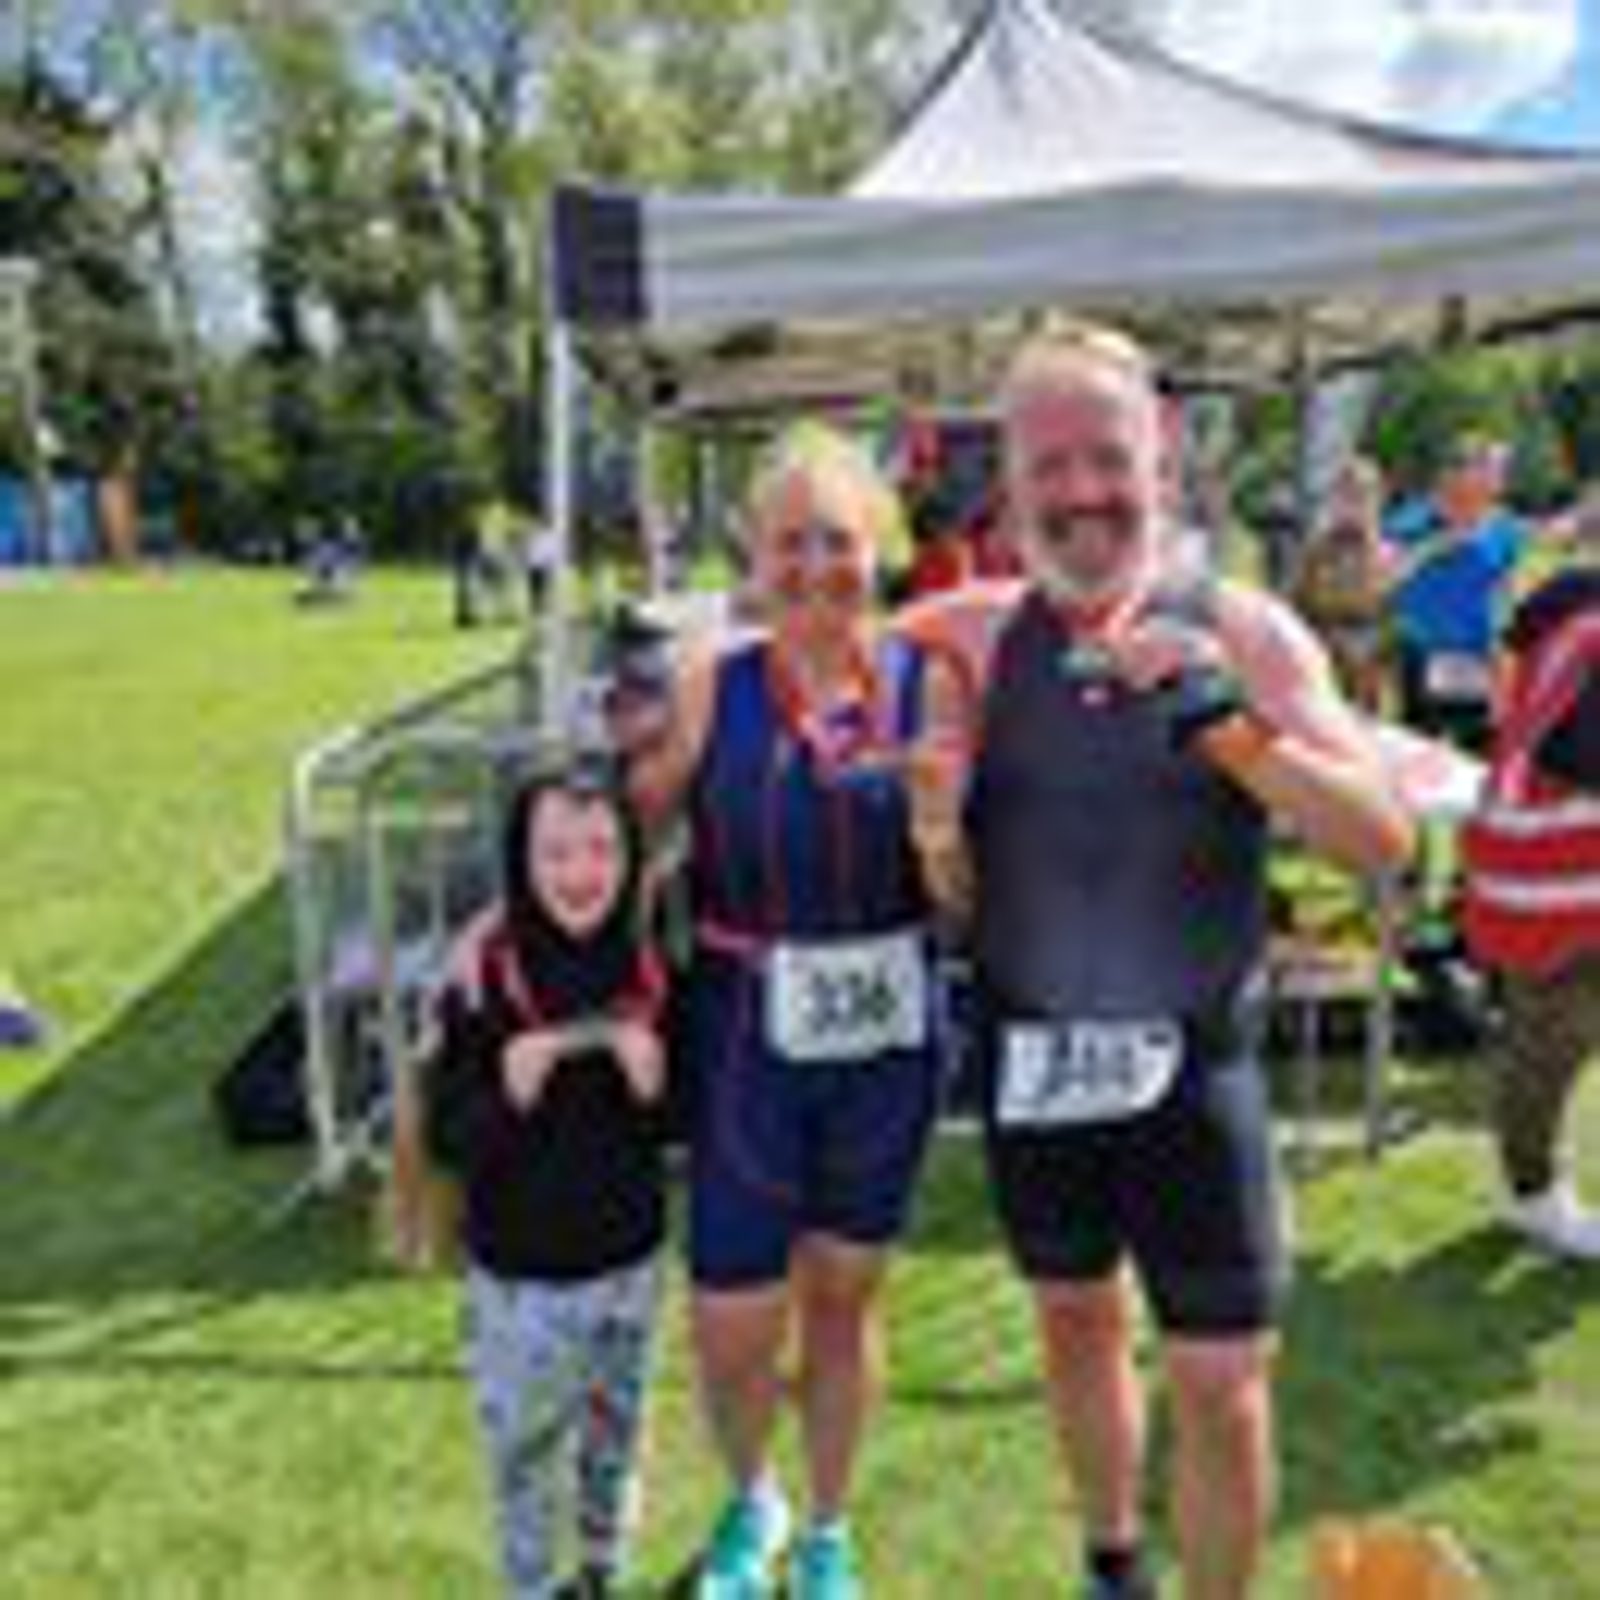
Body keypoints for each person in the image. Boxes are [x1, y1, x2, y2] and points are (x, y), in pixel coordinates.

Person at [898, 323, 1414, 1600]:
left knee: (1222, 1383)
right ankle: (1113, 1563)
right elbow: (786, 644)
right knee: (1076, 1325)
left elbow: (1383, 839)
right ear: (1006, 485)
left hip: (1194, 1067)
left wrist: (1232, 734)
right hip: (1034, 1057)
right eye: (1048, 465)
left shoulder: (1243, 629)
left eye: (1107, 458)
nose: (1081, 493)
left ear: (1163, 460)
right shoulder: (966, 634)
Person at [613, 422, 944, 1600]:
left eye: (840, 540)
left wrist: (942, 828)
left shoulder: (925, 680)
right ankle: (753, 1496)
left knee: (845, 1298)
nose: (816, 566)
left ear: (882, 548)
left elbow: (962, 895)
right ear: (755, 557)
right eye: (790, 541)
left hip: (890, 1036)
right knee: (731, 1317)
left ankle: (828, 1530)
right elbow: (632, 832)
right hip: (744, 1030)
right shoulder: (713, 681)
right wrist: (634, 757)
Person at [419, 762, 670, 1600]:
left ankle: (602, 1571)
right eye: (556, 852)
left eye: (601, 849)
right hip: (518, 1276)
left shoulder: (651, 971)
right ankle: (531, 1585)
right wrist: (506, 1094)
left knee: (615, 1439)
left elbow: (685, 1123)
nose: (580, 873)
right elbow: (449, 1136)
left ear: (630, 858)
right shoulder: (481, 978)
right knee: (524, 1451)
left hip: (629, 1264)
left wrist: (654, 1085)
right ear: (521, 864)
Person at [1461, 521, 1600, 1261]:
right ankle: (1534, 1196)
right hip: (1561, 867)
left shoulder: (1568, 601)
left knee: (1548, 1034)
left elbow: (1509, 677)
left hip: (1535, 851)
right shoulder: (1582, 612)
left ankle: (1534, 1189)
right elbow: (1574, 747)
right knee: (1552, 1036)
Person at [1385, 436, 1527, 751]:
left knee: (1479, 744)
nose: (1500, 482)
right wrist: (1441, 542)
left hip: (1478, 653)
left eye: (1502, 473)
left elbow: (1505, 589)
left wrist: (1509, 647)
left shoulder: (1503, 527)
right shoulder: (1414, 519)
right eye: (1493, 471)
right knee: (1419, 742)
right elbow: (1389, 575)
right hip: (1423, 650)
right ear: (1463, 472)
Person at [1291, 455, 1397, 712]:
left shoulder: (1387, 552)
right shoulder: (1318, 549)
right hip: (1324, 653)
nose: (1354, 504)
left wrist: (1380, 650)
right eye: (1347, 495)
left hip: (1367, 660)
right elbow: (1300, 602)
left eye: (1363, 496)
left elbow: (1393, 612)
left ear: (1378, 501)